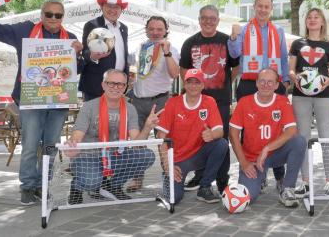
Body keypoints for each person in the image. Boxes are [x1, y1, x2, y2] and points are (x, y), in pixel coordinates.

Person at [0, 0, 84, 205]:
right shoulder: (26, 31)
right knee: (30, 144)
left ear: (63, 17)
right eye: (49, 14)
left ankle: (43, 185)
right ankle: (27, 186)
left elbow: (76, 70)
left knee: (51, 145)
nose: (53, 19)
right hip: (31, 99)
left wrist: (79, 54)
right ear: (41, 15)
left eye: (58, 15)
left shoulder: (70, 38)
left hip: (58, 101)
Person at [66, 69, 158, 205]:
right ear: (103, 85)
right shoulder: (89, 106)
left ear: (125, 87)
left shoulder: (130, 108)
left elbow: (136, 143)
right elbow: (77, 136)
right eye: (111, 83)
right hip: (89, 156)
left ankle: (113, 186)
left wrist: (147, 127)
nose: (116, 87)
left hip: (115, 155)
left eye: (120, 84)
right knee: (91, 182)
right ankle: (77, 186)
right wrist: (72, 145)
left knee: (146, 155)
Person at [228, 0, 290, 190]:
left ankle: (280, 176)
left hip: (274, 84)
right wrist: (234, 37)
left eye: (267, 6)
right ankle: (254, 171)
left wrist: (286, 81)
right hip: (248, 83)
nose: (263, 9)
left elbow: (283, 57)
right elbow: (235, 54)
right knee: (248, 130)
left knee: (277, 129)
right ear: (254, 7)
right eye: (260, 6)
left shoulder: (278, 31)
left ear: (271, 9)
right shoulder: (244, 30)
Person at [179, 5, 239, 193]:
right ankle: (200, 175)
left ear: (218, 21)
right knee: (198, 138)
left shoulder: (226, 41)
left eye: (212, 18)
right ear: (199, 19)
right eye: (204, 17)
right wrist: (194, 91)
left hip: (221, 100)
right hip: (196, 101)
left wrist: (224, 81)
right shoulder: (190, 43)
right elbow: (184, 71)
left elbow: (236, 68)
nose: (208, 21)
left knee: (221, 140)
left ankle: (223, 181)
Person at [229, 68, 306, 207]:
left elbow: (291, 130)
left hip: (275, 153)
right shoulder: (244, 102)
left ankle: (287, 189)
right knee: (248, 198)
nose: (266, 85)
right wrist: (243, 162)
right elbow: (233, 134)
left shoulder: (283, 102)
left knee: (299, 141)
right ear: (256, 83)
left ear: (277, 85)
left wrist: (267, 149)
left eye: (270, 82)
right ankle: (260, 177)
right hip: (252, 158)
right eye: (262, 81)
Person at [156, 69, 228, 203]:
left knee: (221, 144)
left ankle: (205, 187)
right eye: (190, 82)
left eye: (197, 82)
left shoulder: (209, 101)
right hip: (177, 159)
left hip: (197, 155)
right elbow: (161, 136)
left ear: (203, 85)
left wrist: (211, 134)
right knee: (174, 198)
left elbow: (220, 131)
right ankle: (168, 177)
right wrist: (167, 164)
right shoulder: (173, 103)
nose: (193, 86)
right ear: (185, 84)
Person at [126, 16, 179, 191]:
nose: (155, 32)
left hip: (161, 101)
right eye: (152, 29)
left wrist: (167, 52)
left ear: (166, 30)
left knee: (163, 141)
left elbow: (174, 74)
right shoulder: (140, 47)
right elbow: (129, 67)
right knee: (136, 140)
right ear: (146, 30)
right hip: (137, 100)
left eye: (159, 29)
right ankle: (137, 178)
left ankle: (168, 177)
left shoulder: (172, 49)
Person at [289, 8, 329, 196]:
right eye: (309, 17)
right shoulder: (297, 44)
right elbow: (291, 70)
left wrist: (327, 81)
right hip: (301, 94)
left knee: (325, 135)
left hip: (324, 94)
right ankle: (306, 182)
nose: (312, 20)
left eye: (316, 17)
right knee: (303, 137)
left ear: (322, 22)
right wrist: (296, 78)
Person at [79, 0, 130, 101]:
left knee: (114, 118)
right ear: (102, 7)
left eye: (116, 7)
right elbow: (85, 52)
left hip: (118, 86)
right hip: (96, 86)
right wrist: (92, 56)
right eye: (109, 6)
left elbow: (123, 55)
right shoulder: (92, 25)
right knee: (94, 118)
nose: (112, 10)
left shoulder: (124, 28)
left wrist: (126, 81)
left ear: (121, 10)